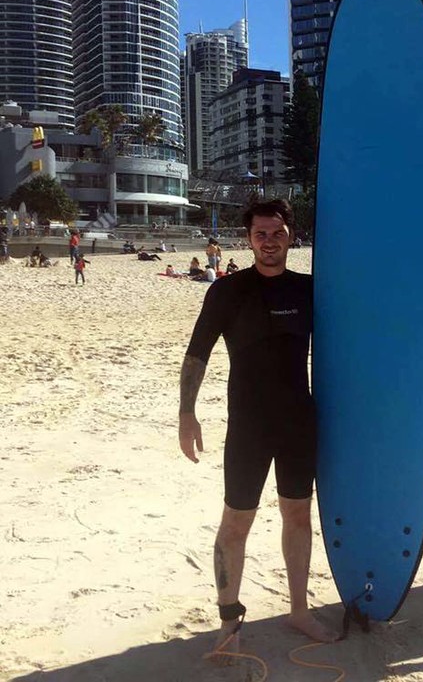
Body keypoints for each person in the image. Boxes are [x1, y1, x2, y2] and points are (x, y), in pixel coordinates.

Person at [178, 199, 338, 657]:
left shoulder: (312, 290)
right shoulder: (228, 292)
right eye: (261, 234)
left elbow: (369, 328)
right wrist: (187, 413)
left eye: (277, 233)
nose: (269, 242)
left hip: (299, 422)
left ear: (291, 235)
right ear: (248, 239)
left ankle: (298, 610)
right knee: (236, 522)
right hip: (247, 426)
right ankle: (229, 620)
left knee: (298, 515)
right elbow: (197, 354)